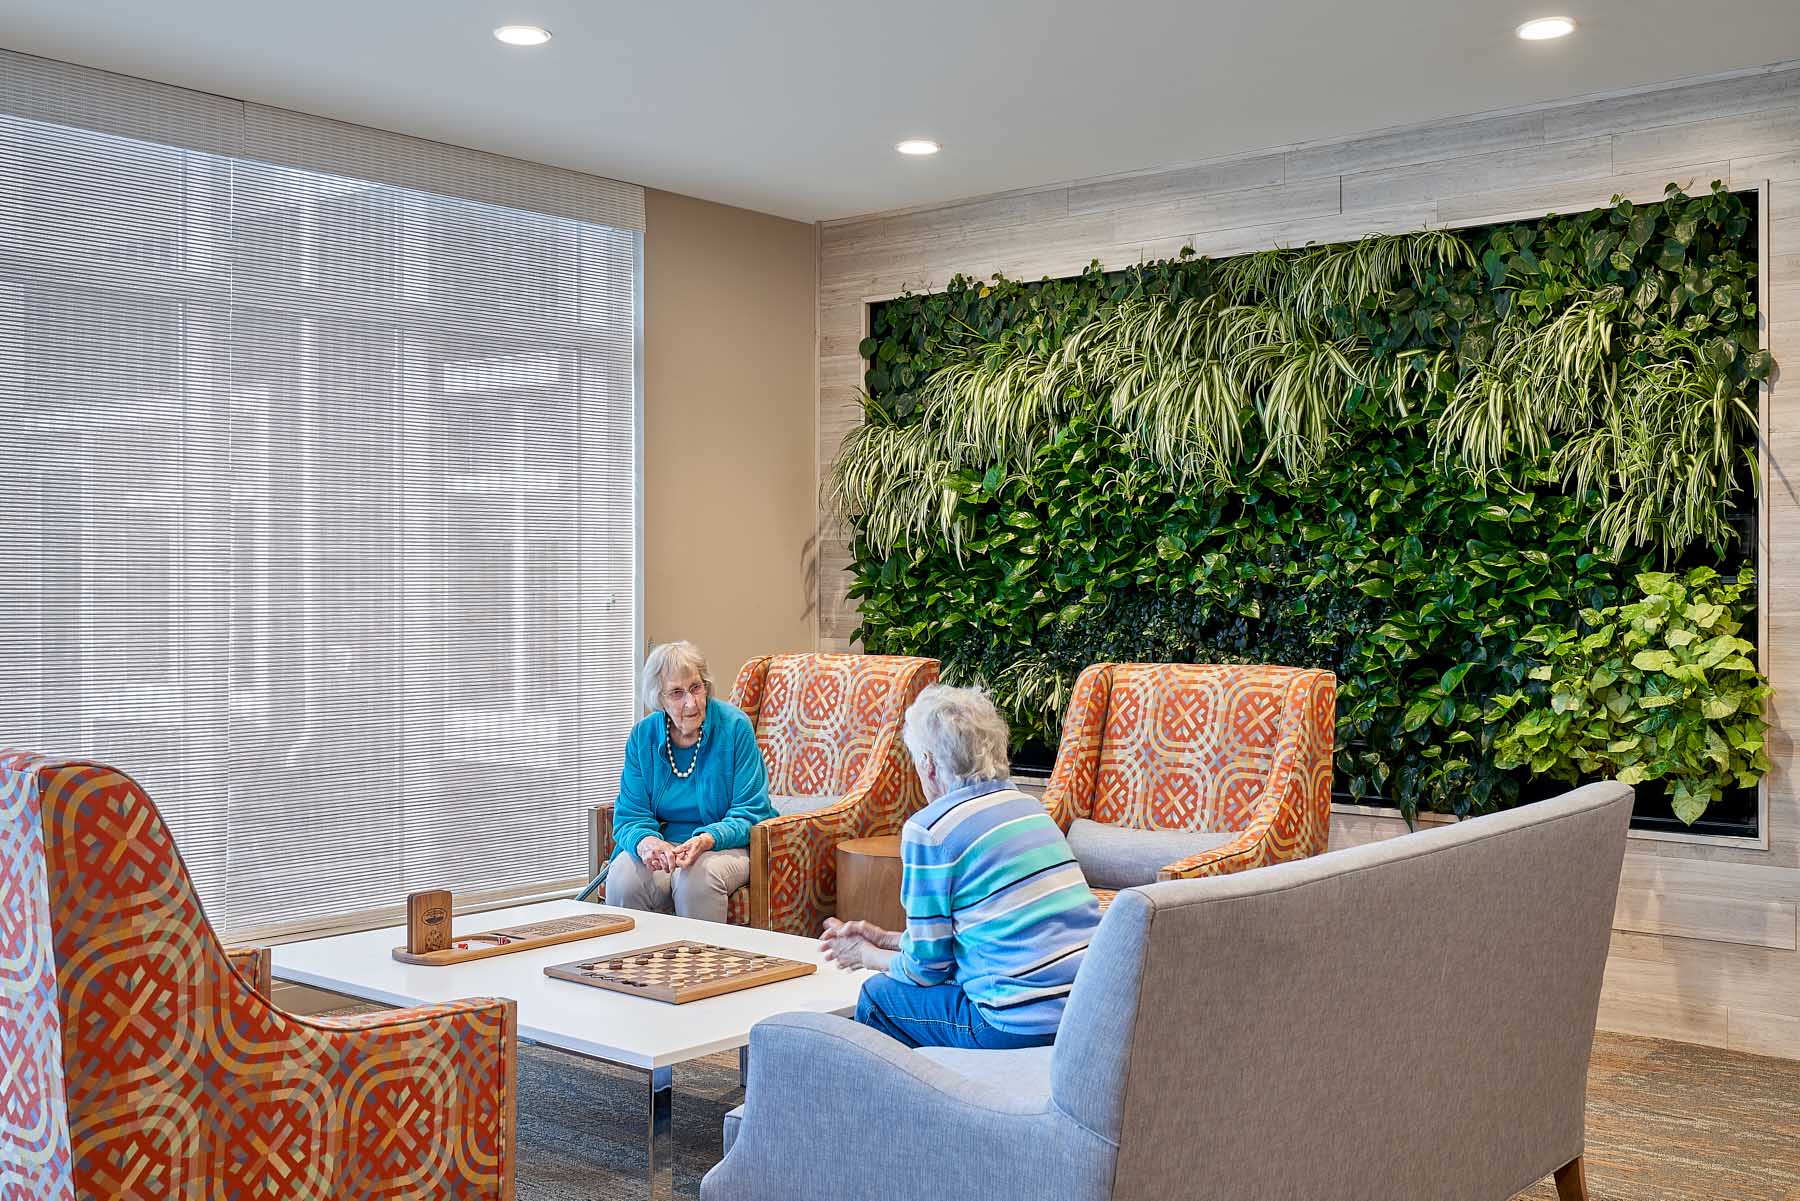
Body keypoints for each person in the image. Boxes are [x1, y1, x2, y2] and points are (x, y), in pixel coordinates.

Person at [819, 683, 1101, 1049]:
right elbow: (977, 937)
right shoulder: (1029, 808)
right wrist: (887, 938)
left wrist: (865, 955)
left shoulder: (930, 830)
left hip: (1010, 1024)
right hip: (1084, 1014)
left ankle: (922, 1088)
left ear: (928, 763)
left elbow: (927, 970)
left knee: (877, 996)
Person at [603, 641, 777, 924]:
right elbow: (630, 815)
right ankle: (639, 955)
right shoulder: (642, 737)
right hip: (667, 846)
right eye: (676, 693)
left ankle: (703, 955)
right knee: (624, 878)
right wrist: (646, 843)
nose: (691, 702)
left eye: (696, 688)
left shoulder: (735, 728)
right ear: (659, 699)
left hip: (725, 845)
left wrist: (708, 838)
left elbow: (752, 810)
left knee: (695, 879)